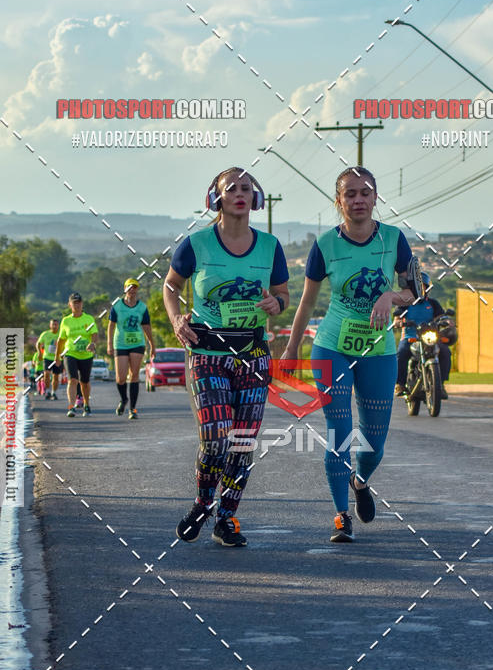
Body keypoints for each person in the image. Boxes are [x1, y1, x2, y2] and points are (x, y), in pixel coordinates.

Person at [282, 167, 415, 543]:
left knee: (375, 442)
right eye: (350, 194)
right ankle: (341, 516)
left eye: (365, 193)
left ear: (376, 198)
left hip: (379, 350)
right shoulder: (325, 244)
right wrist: (292, 348)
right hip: (331, 347)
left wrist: (391, 296)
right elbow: (307, 301)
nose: (358, 200)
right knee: (339, 432)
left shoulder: (394, 239)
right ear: (338, 201)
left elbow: (414, 291)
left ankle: (360, 480)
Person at [163, 166, 289, 547]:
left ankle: (227, 518)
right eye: (231, 188)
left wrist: (274, 302)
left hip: (252, 354)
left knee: (242, 443)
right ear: (215, 198)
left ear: (256, 198)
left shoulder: (269, 246)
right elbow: (171, 285)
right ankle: (203, 502)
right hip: (207, 353)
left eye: (247, 188)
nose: (239, 193)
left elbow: (282, 296)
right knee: (217, 439)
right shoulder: (196, 244)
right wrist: (175, 318)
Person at [394, 272, 453, 399]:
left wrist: (447, 321)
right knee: (401, 353)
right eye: (417, 286)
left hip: (430, 338)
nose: (421, 288)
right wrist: (398, 322)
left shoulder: (433, 304)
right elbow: (397, 318)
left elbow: (441, 316)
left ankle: (440, 385)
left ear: (427, 288)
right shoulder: (405, 303)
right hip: (411, 337)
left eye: (423, 286)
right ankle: (400, 384)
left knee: (445, 352)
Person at [107, 278, 155, 419]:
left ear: (137, 290)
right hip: (120, 343)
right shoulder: (117, 306)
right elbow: (111, 326)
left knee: (134, 375)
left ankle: (133, 409)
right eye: (130, 288)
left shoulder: (142, 307)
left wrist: (152, 344)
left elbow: (146, 326)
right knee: (120, 377)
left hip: (137, 343)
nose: (132, 291)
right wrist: (109, 344)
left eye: (135, 288)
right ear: (125, 290)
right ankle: (124, 399)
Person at [55, 292, 99, 417]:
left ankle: (86, 404)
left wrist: (92, 344)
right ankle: (71, 406)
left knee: (84, 382)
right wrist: (57, 356)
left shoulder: (88, 319)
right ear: (70, 305)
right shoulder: (66, 321)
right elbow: (61, 340)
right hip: (70, 353)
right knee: (72, 380)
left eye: (79, 302)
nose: (77, 305)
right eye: (74, 303)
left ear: (82, 304)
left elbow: (94, 334)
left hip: (86, 355)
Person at [36, 318, 62, 400]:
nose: (54, 326)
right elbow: (38, 343)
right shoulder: (45, 334)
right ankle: (47, 391)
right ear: (50, 325)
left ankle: (53, 392)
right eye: (53, 324)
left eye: (56, 324)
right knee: (46, 374)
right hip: (47, 358)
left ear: (58, 325)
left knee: (56, 376)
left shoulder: (61, 334)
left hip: (57, 358)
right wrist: (39, 352)